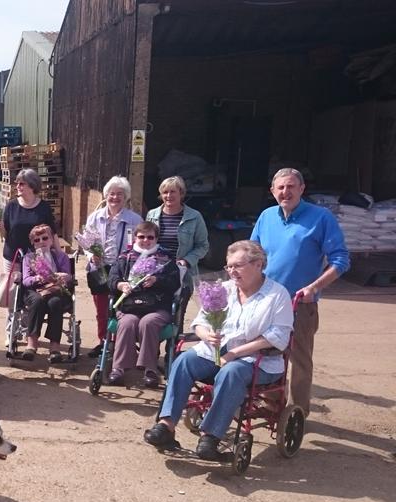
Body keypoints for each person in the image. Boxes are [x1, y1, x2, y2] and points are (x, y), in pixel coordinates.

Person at [144, 241, 293, 460]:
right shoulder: (224, 289)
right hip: (217, 354)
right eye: (229, 266)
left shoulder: (277, 295)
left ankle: (210, 437)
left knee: (231, 372)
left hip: (257, 360)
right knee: (184, 360)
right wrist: (206, 335)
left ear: (259, 264)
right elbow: (200, 321)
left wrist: (235, 353)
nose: (232, 271)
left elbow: (277, 336)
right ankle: (166, 425)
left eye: (237, 266)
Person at [250, 168, 349, 416]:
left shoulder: (321, 218)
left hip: (300, 304)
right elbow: (252, 253)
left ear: (302, 189)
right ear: (273, 191)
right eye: (281, 188)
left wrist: (314, 287)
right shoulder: (266, 217)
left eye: (291, 186)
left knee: (299, 361)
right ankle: (270, 403)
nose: (286, 192)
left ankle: (296, 414)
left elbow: (341, 259)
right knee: (266, 353)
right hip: (267, 301)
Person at [107, 221, 180, 387]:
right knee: (127, 323)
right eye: (141, 237)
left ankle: (150, 369)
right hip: (129, 305)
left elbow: (174, 282)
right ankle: (118, 369)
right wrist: (121, 285)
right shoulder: (124, 258)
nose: (145, 240)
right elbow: (111, 279)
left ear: (156, 239)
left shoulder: (166, 259)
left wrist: (157, 280)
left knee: (148, 322)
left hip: (157, 306)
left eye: (150, 237)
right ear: (134, 238)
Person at [82, 176, 143, 358]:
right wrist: (91, 255)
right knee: (101, 308)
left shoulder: (134, 219)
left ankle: (119, 343)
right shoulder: (95, 217)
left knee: (120, 307)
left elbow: (141, 244)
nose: (115, 198)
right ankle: (103, 341)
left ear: (126, 198)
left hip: (123, 271)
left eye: (120, 194)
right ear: (106, 195)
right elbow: (86, 242)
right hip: (100, 269)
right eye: (112, 194)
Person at [145, 176, 209, 321]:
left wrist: (187, 260)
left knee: (177, 317)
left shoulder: (194, 217)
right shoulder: (152, 215)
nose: (168, 196)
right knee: (155, 314)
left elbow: (203, 246)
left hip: (182, 275)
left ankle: (172, 344)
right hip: (157, 273)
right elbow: (146, 241)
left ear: (181, 193)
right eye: (165, 192)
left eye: (173, 191)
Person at [20, 224, 73, 364]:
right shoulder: (29, 258)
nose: (41, 242)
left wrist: (63, 276)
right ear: (32, 243)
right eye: (36, 240)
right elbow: (25, 280)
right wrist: (37, 278)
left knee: (55, 303)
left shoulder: (61, 257)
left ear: (51, 239)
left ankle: (54, 347)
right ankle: (31, 344)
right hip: (35, 289)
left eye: (45, 238)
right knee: (37, 301)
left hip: (56, 289)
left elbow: (69, 277)